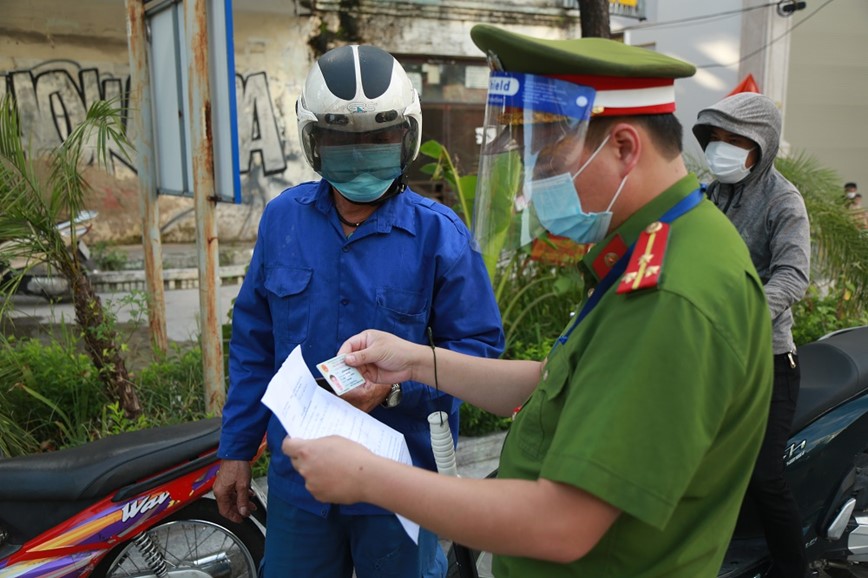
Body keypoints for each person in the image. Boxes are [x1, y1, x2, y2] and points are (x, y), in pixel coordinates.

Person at [282, 25, 774, 578]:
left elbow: (562, 523)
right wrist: (417, 359)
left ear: (624, 148)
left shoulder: (673, 292)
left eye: (546, 158)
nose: (534, 183)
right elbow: (558, 380)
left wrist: (366, 476)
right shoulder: (661, 244)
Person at [214, 44, 504, 578]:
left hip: (400, 490)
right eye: (343, 139)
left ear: (406, 137)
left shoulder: (440, 235)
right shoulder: (282, 222)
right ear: (315, 142)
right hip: (300, 485)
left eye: (378, 137)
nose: (361, 151)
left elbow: (480, 354)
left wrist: (397, 389)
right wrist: (235, 450)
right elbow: (254, 344)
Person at [693, 92, 811, 578]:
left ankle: (793, 568)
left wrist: (743, 314)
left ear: (762, 145)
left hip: (767, 360)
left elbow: (793, 275)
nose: (723, 148)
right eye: (715, 138)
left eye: (735, 139)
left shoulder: (784, 200)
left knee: (765, 477)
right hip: (712, 354)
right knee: (707, 469)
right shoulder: (710, 193)